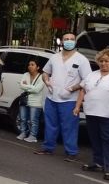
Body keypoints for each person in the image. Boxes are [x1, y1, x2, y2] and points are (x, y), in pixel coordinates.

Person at [72, 48, 109, 181]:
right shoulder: (92, 75)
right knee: (95, 138)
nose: (104, 63)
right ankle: (97, 162)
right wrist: (77, 106)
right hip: (92, 112)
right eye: (101, 61)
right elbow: (83, 90)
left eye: (107, 61)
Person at [34, 33, 91, 161]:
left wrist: (72, 89)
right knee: (50, 124)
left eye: (71, 39)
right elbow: (45, 73)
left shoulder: (81, 60)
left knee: (69, 126)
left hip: (69, 100)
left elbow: (87, 80)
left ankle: (71, 152)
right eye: (66, 39)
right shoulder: (54, 57)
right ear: (61, 41)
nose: (69, 41)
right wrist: (46, 81)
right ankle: (48, 147)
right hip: (52, 97)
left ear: (75, 42)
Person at [17, 59, 46, 143]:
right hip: (24, 100)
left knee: (33, 120)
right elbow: (21, 86)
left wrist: (27, 86)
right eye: (29, 64)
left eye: (32, 64)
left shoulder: (41, 77)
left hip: (36, 102)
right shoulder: (25, 74)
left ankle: (33, 136)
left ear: (38, 67)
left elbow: (37, 90)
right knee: (22, 118)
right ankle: (23, 132)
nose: (30, 66)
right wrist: (29, 87)